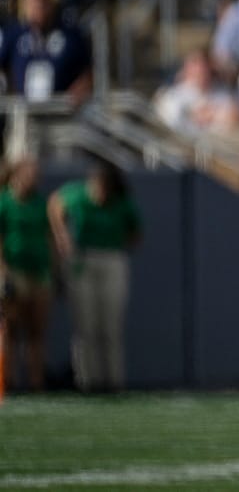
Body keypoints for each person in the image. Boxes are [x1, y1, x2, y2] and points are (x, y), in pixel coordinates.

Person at [48, 161, 141, 393]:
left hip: (111, 258)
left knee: (110, 325)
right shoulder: (78, 194)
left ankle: (113, 382)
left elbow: (135, 233)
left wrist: (117, 245)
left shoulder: (121, 202)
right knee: (85, 325)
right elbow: (55, 203)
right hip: (82, 259)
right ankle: (87, 382)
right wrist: (62, 237)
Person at [0, 158, 53, 392]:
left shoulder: (40, 203)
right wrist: (3, 271)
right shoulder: (4, 202)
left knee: (37, 330)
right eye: (29, 173)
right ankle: (8, 380)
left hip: (39, 272)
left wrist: (55, 270)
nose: (33, 178)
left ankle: (36, 382)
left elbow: (48, 238)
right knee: (11, 329)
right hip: (14, 271)